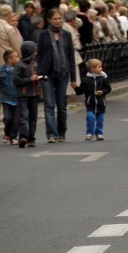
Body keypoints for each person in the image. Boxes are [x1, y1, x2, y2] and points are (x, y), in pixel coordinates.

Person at [37, 8, 78, 143]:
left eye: (59, 18)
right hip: (47, 73)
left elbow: (70, 56)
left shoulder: (66, 34)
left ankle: (61, 132)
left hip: (63, 73)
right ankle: (51, 134)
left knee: (61, 104)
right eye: (54, 19)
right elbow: (40, 54)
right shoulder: (43, 35)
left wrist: (73, 78)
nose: (57, 21)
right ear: (49, 20)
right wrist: (40, 73)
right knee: (49, 104)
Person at [74, 58, 111, 141]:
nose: (101, 69)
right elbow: (80, 91)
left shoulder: (103, 78)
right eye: (99, 67)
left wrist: (102, 92)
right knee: (90, 117)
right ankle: (89, 133)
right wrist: (75, 87)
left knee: (100, 119)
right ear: (92, 69)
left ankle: (99, 133)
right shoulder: (86, 80)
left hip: (101, 102)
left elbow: (108, 88)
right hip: (90, 103)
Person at [13, 41, 41, 148]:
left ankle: (31, 138)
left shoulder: (35, 64)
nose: (36, 53)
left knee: (33, 117)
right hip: (23, 95)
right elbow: (16, 81)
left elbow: (36, 77)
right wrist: (30, 79)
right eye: (34, 52)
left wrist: (40, 78)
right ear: (29, 52)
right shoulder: (19, 65)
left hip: (34, 94)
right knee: (23, 117)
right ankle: (23, 137)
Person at [1, 50, 20, 145]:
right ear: (9, 60)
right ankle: (7, 133)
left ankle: (13, 137)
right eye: (16, 57)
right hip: (6, 99)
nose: (18, 59)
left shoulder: (19, 69)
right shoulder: (1, 71)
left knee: (16, 120)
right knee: (7, 118)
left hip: (17, 98)